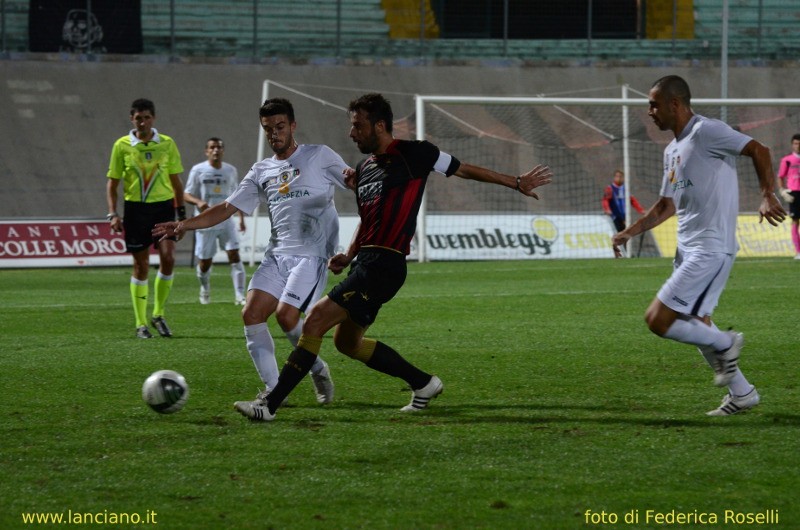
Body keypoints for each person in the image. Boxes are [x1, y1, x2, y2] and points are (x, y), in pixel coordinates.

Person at [232, 92, 554, 422]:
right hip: (366, 262)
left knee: (313, 320)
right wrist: (349, 253)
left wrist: (515, 182)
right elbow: (369, 219)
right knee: (348, 343)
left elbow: (463, 169)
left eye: (357, 126)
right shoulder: (364, 168)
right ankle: (423, 383)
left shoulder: (415, 153)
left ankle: (269, 405)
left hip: (385, 264)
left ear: (380, 125)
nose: (351, 133)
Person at [611, 75, 786, 416]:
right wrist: (628, 233)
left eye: (653, 104)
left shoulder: (707, 131)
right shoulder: (672, 150)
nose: (649, 111)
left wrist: (767, 194)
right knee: (698, 323)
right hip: (687, 248)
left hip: (711, 248)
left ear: (674, 103)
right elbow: (666, 205)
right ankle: (743, 393)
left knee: (658, 320)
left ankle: (727, 343)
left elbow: (758, 149)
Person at [154, 98, 345, 405]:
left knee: (286, 317)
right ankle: (273, 390)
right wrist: (185, 225)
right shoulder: (262, 170)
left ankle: (317, 369)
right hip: (276, 255)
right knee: (252, 313)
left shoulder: (319, 156)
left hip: (311, 255)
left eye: (280, 127)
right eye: (268, 129)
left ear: (293, 126)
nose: (274, 134)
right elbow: (227, 207)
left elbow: (354, 180)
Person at [106, 98, 185, 339]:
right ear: (132, 119)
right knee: (140, 266)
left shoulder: (167, 144)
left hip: (163, 209)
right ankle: (141, 323)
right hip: (136, 211)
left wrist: (180, 213)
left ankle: (158, 314)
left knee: (169, 258)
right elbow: (113, 184)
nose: (142, 122)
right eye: (138, 118)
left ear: (153, 118)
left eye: (147, 117)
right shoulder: (121, 146)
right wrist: (113, 213)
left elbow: (175, 180)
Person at [184, 137, 247, 305]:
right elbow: (186, 194)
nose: (216, 150)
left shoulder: (230, 170)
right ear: (207, 151)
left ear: (223, 151)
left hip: (226, 220)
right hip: (205, 222)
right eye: (212, 147)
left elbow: (237, 195)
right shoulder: (198, 170)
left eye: (219, 147)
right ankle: (204, 288)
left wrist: (241, 218)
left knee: (234, 254)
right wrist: (198, 202)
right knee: (205, 262)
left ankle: (240, 296)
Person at [776, 133, 800, 258]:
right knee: (795, 221)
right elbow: (780, 176)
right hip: (794, 193)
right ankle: (798, 251)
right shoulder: (787, 160)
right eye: (796, 143)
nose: (798, 146)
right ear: (792, 145)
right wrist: (782, 191)